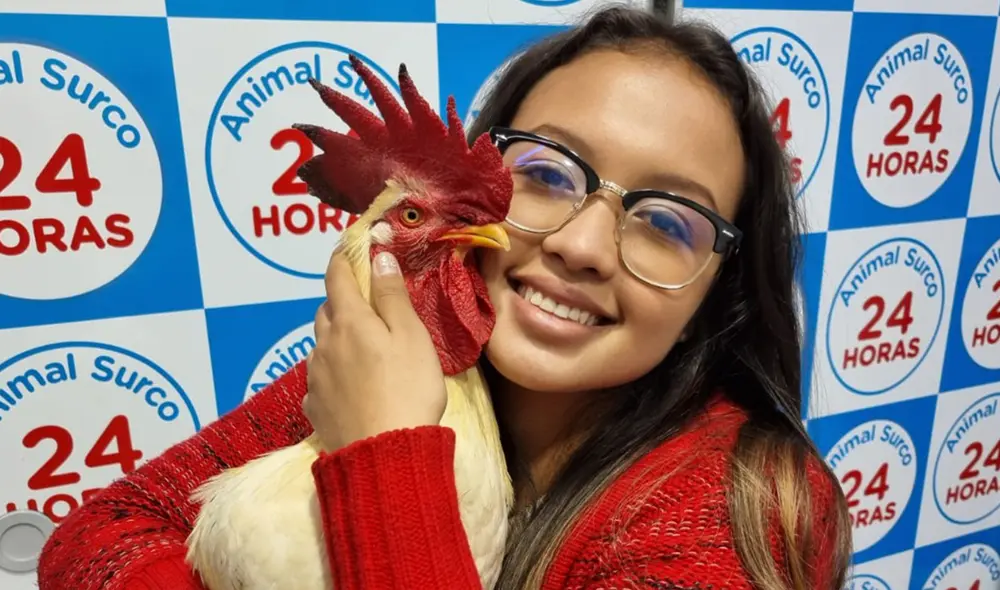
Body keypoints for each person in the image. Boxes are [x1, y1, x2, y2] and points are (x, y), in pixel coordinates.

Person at [36, 6, 852, 589]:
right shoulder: (395, 372)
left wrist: (385, 458)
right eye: (545, 174)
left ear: (713, 298)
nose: (580, 245)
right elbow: (94, 539)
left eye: (668, 222)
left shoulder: (747, 515)